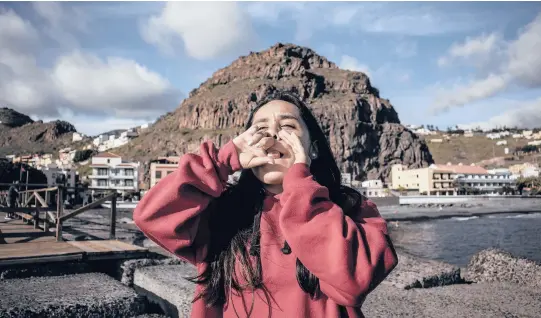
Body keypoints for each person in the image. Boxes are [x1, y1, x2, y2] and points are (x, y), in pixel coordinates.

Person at [134, 90, 398, 318]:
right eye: (260, 129)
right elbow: (152, 217)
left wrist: (300, 181)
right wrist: (224, 160)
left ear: (313, 149)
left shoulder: (351, 208)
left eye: (288, 127)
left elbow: (353, 280)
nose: (272, 134)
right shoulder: (222, 212)